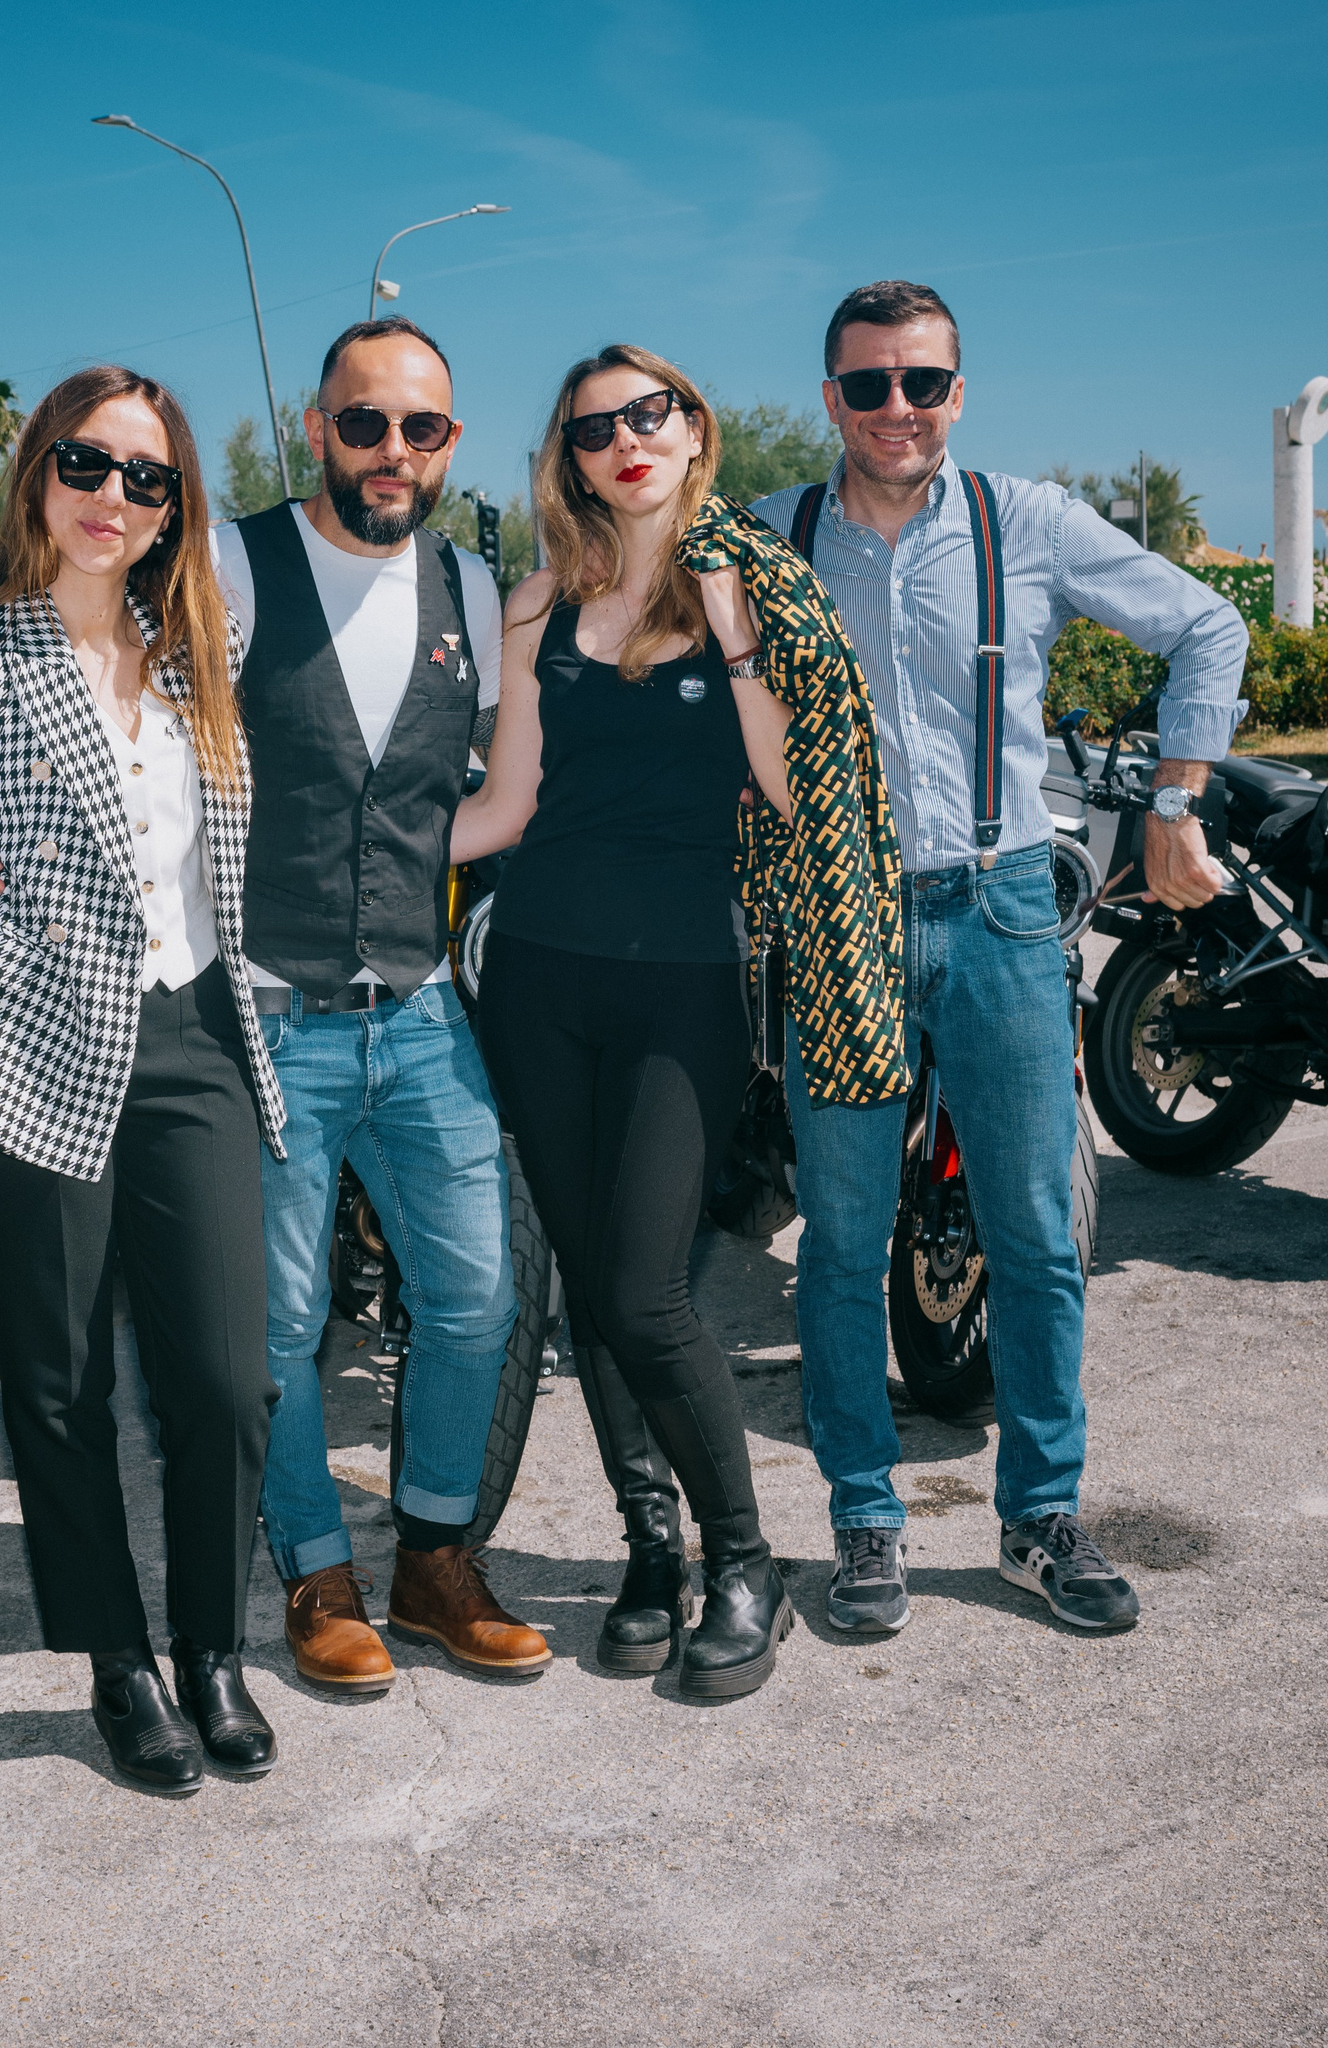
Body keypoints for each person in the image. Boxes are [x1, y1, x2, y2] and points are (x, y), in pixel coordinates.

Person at [753, 279, 1245, 1635]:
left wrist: (1176, 799)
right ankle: (865, 1521)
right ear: (831, 400)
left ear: (958, 393)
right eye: (867, 386)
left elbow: (1208, 625)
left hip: (1002, 903)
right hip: (840, 915)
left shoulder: (1025, 522)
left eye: (921, 383)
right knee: (844, 1243)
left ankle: (1041, 1517)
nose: (895, 409)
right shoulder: (772, 535)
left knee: (1035, 1232)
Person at [454, 344, 891, 1700]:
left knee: (649, 1289)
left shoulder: (756, 594)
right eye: (594, 429)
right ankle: (651, 1551)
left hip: (679, 987)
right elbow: (506, 810)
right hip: (536, 975)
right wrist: (350, 852)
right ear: (570, 460)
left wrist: (735, 624)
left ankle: (743, 1556)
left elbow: (793, 789)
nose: (625, 441)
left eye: (650, 414)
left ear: (692, 430)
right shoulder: (535, 609)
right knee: (592, 1289)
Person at [0, 366, 289, 1794]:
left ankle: (212, 1650)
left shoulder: (201, 657)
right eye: (87, 464)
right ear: (36, 476)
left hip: (189, 1036)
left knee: (230, 1380)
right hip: (20, 1048)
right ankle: (119, 1666)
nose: (112, 498)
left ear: (174, 510)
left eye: (147, 479)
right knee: (58, 1384)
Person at [206, 317, 536, 1691]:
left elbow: (505, 801)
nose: (392, 451)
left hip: (416, 1014)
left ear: (451, 442)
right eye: (365, 423)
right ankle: (316, 1574)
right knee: (284, 1329)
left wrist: (395, 867)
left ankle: (434, 1564)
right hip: (270, 1020)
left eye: (423, 429)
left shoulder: (474, 584)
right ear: (314, 426)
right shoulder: (229, 562)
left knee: (477, 1301)